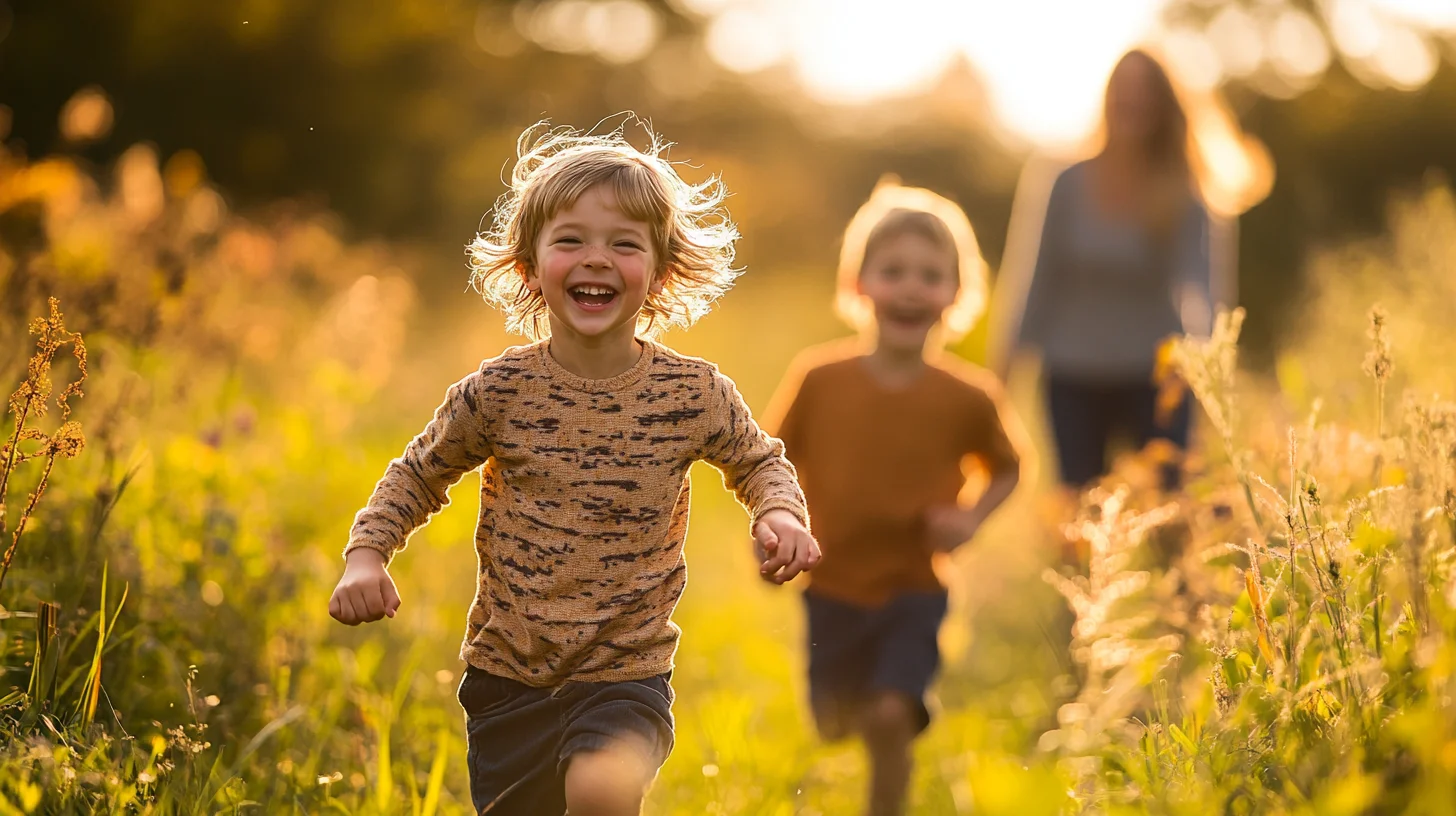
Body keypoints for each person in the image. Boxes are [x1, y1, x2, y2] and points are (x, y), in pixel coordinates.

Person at [327, 122, 819, 816]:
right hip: (509, 675)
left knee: (598, 791)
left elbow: (759, 459)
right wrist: (366, 555)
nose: (597, 260)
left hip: (627, 672)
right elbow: (418, 472)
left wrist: (779, 513)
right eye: (571, 241)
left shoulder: (692, 393)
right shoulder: (499, 392)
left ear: (660, 271)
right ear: (530, 266)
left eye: (624, 244)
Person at [766, 180, 1025, 816]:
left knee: (888, 715)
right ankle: (858, 714)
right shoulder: (820, 379)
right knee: (834, 718)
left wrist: (970, 519)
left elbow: (1009, 468)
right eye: (893, 271)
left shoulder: (969, 396)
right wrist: (772, 531)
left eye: (931, 275)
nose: (911, 287)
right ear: (859, 285)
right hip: (830, 583)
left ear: (956, 296)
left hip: (916, 586)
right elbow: (767, 462)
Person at [991, 48, 1271, 493]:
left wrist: (1208, 373)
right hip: (1072, 377)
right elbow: (1033, 282)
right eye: (1123, 91)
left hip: (1158, 379)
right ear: (1106, 99)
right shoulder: (1064, 182)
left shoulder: (1186, 189)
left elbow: (1207, 290)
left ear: (1164, 105)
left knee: (1172, 515)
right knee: (1081, 513)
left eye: (1144, 93)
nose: (1132, 102)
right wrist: (1000, 381)